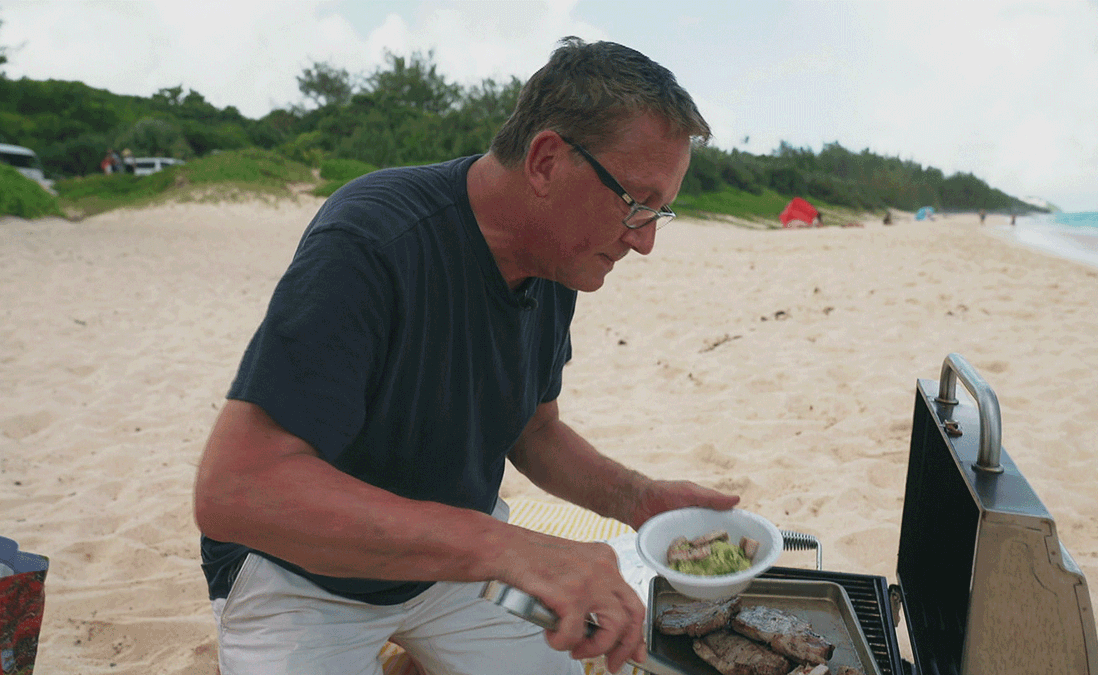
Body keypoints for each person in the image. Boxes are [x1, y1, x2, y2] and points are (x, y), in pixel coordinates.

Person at [192, 37, 739, 675]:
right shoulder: (374, 239)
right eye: (636, 204)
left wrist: (638, 499)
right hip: (303, 575)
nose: (644, 241)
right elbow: (237, 490)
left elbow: (534, 429)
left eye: (659, 212)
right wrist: (509, 547)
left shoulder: (556, 262)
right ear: (546, 161)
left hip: (451, 567)